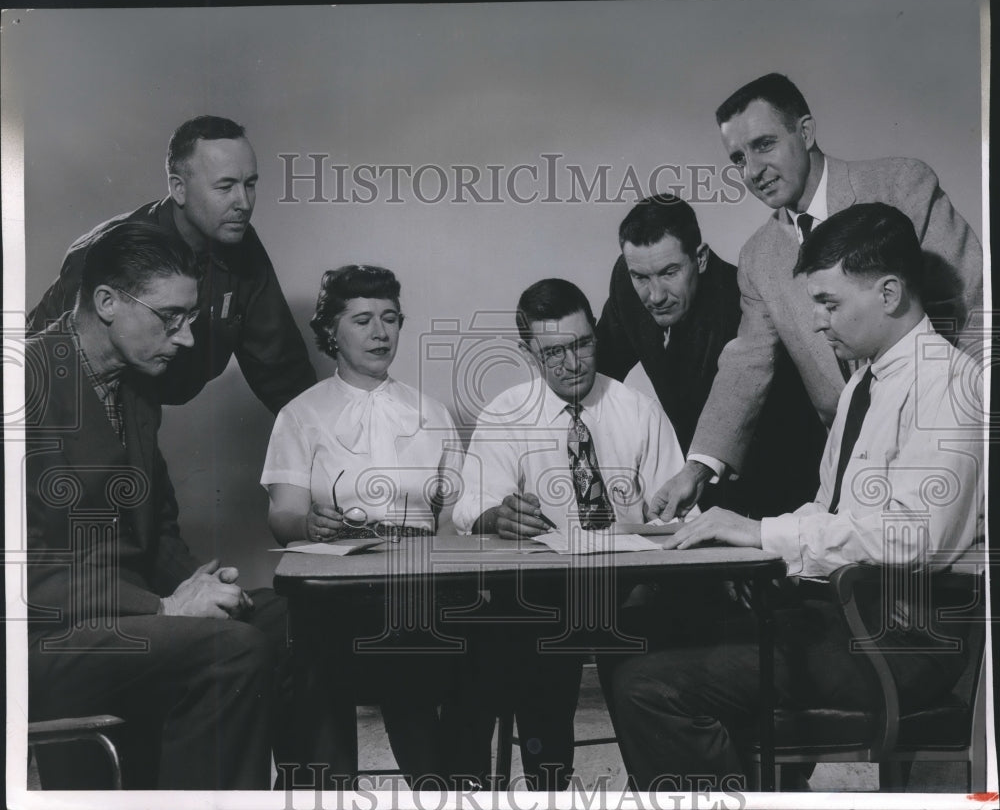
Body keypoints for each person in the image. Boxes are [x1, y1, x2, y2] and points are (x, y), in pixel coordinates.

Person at [610, 203, 984, 790]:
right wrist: (739, 534)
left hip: (902, 641)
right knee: (664, 640)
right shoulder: (866, 382)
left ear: (889, 293)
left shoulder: (955, 385)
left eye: (828, 303)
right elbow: (829, 510)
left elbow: (910, 536)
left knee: (649, 687)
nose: (814, 322)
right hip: (848, 620)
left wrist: (760, 534)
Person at [26, 223, 290, 790]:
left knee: (284, 620)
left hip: (126, 620)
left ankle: (325, 791)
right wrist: (166, 608)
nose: (188, 340)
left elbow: (159, 532)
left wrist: (206, 589)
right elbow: (25, 573)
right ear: (106, 303)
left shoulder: (135, 387)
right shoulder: (22, 383)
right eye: (170, 319)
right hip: (45, 639)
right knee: (231, 649)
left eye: (190, 319)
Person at [653, 73, 983, 522]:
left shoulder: (903, 185)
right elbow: (747, 364)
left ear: (805, 132)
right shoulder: (758, 257)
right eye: (737, 158)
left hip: (950, 438)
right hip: (847, 471)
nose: (752, 171)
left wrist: (966, 427)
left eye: (764, 144)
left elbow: (970, 301)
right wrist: (698, 466)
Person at [446, 278, 688, 790]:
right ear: (527, 351)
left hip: (631, 589)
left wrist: (663, 520)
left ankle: (661, 788)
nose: (572, 363)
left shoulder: (637, 408)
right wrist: (498, 515)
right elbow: (469, 507)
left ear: (595, 334)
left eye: (582, 344)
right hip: (547, 595)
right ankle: (548, 788)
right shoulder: (507, 414)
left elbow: (678, 511)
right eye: (553, 352)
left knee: (660, 673)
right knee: (528, 644)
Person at [260, 265, 462, 788]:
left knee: (422, 657)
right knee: (312, 661)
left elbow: (457, 518)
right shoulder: (300, 415)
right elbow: (282, 518)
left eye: (391, 319)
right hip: (335, 586)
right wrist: (307, 521)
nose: (381, 333)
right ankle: (327, 792)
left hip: (419, 583)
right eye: (363, 320)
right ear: (331, 331)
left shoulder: (432, 413)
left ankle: (438, 787)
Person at [27, 115, 316, 414]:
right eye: (225, 186)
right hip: (72, 401)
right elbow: (43, 370)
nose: (243, 202)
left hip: (143, 406)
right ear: (178, 188)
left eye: (250, 184)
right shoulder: (109, 251)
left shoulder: (239, 241)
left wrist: (325, 442)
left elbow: (282, 369)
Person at [596, 193, 827, 517]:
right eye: (641, 277)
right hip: (698, 491)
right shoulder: (626, 283)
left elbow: (772, 428)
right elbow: (596, 375)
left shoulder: (744, 305)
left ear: (700, 258)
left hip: (788, 485)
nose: (656, 295)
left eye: (670, 272)